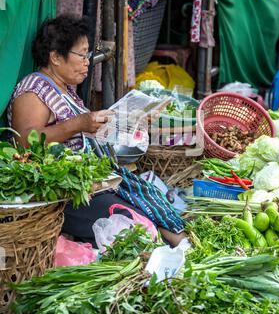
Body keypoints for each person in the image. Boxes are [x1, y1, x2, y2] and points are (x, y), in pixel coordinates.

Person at [8, 15, 186, 247]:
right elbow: (24, 143)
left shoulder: (65, 89)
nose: (87, 62)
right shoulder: (33, 90)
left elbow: (87, 134)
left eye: (87, 54)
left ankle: (183, 246)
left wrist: (132, 120)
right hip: (65, 194)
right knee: (140, 227)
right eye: (81, 55)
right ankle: (178, 250)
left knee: (152, 205)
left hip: (95, 182)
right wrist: (79, 123)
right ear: (55, 57)